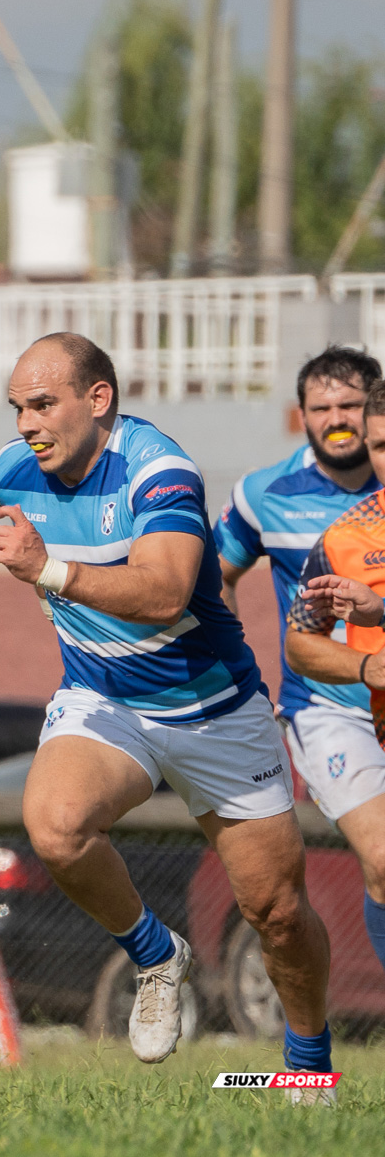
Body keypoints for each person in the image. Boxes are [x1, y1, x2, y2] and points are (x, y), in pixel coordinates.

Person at [0, 332, 334, 1102]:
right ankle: (155, 956)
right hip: (103, 699)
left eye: (42, 404)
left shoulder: (160, 470)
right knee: (56, 824)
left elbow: (165, 594)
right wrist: (47, 573)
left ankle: (310, 1067)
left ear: (98, 399)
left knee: (275, 912)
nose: (25, 424)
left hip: (216, 709)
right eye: (17, 407)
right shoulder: (10, 474)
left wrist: (47, 569)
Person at [281, 375, 385, 983]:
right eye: (378, 446)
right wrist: (368, 666)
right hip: (346, 715)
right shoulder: (345, 538)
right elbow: (300, 642)